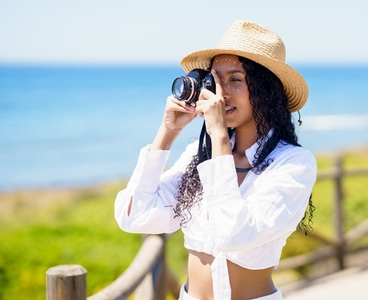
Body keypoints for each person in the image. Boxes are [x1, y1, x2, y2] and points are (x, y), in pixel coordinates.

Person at [115, 19, 317, 300]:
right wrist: (167, 133)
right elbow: (134, 215)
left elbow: (234, 234)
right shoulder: (200, 158)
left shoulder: (294, 163)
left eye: (235, 79)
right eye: (214, 80)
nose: (220, 92)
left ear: (267, 92)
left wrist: (220, 136)